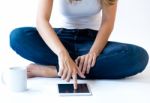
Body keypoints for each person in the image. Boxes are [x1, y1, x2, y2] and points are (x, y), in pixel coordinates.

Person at [10, 0, 149, 89]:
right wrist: (62, 55)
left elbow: (107, 22)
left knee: (139, 57)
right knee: (18, 36)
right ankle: (68, 65)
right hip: (61, 40)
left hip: (91, 43)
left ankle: (54, 71)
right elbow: (41, 20)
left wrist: (93, 53)